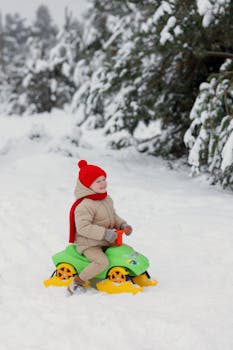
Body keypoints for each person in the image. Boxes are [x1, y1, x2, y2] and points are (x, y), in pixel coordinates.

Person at [67, 159, 132, 295]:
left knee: (126, 251)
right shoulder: (84, 205)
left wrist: (122, 224)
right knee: (101, 261)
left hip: (105, 239)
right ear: (87, 185)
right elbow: (83, 227)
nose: (103, 183)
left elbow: (113, 216)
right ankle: (77, 282)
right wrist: (104, 233)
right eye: (98, 181)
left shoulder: (106, 199)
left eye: (103, 179)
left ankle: (127, 273)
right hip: (89, 243)